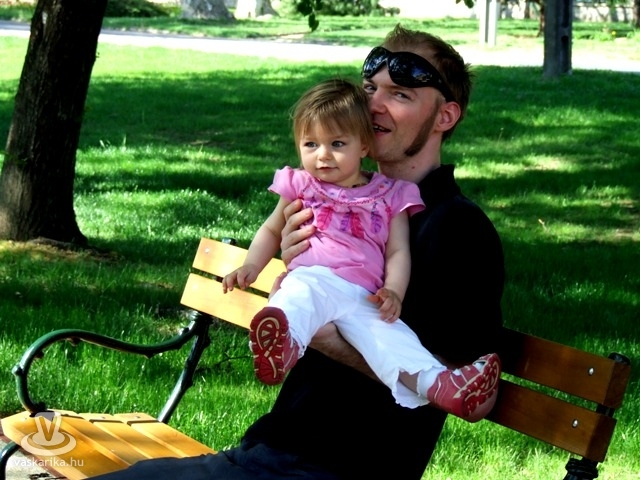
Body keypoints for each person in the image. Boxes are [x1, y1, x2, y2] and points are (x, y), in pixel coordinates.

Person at [91, 24, 505, 480]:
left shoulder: (457, 229)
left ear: (445, 116)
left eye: (400, 94)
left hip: (333, 469)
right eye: (369, 88)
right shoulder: (332, 194)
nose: (373, 105)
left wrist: (326, 333)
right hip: (270, 450)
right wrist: (295, 267)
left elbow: (472, 389)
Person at [222, 78, 500, 419]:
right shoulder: (301, 185)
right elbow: (271, 228)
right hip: (313, 279)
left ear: (364, 145)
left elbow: (397, 252)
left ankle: (441, 385)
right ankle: (283, 346)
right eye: (310, 144)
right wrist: (251, 265)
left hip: (362, 295)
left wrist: (393, 291)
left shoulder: (390, 195)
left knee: (391, 340)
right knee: (296, 298)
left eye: (337, 143)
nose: (323, 155)